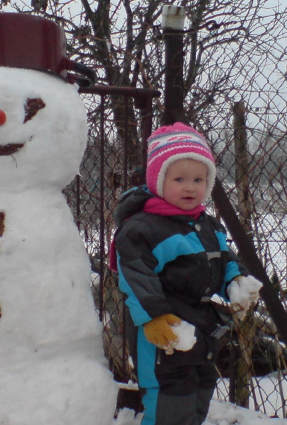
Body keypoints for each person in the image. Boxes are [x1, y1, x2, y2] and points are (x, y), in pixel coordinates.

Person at [111, 122, 262, 425]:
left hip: (201, 332)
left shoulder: (206, 225)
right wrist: (154, 316)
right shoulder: (142, 228)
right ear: (158, 180)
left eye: (199, 178)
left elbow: (224, 258)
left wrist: (236, 281)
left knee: (199, 393)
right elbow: (135, 276)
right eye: (179, 178)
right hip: (165, 335)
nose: (191, 187)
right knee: (168, 401)